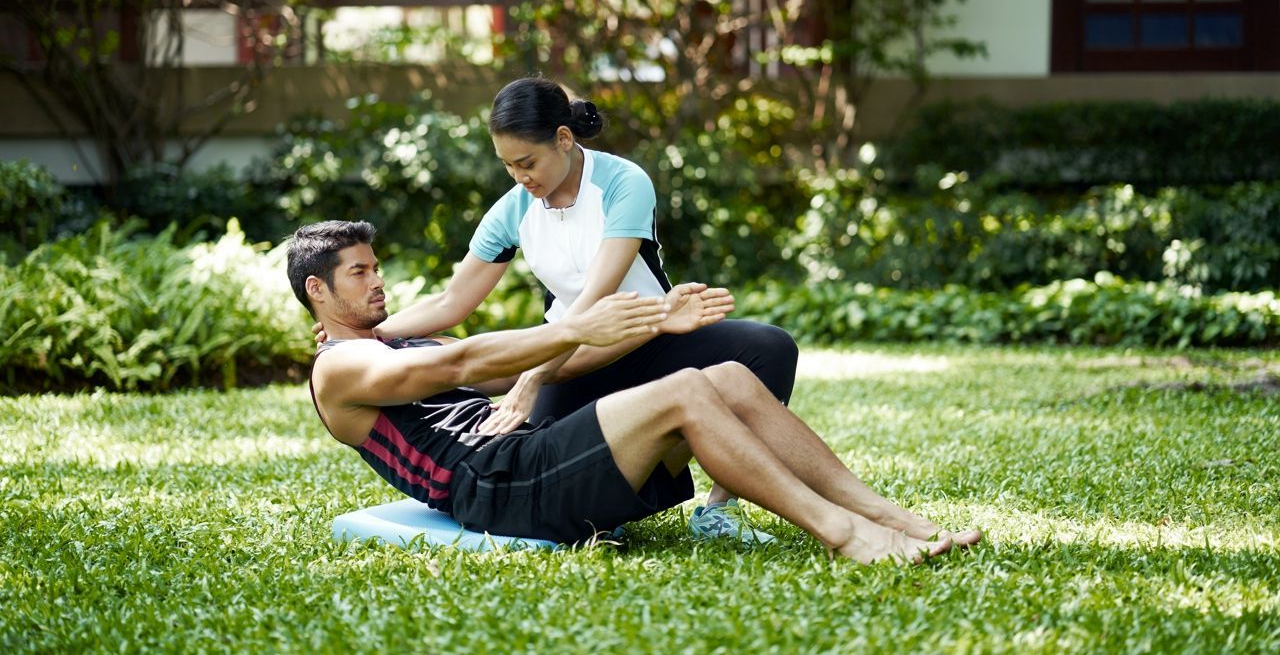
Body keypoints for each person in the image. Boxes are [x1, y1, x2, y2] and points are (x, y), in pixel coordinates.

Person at [289, 220, 982, 564]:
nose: (377, 281)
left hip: (527, 456)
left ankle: (891, 517)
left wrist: (653, 320)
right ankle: (845, 534)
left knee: (729, 377)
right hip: (493, 488)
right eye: (359, 272)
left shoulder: (401, 343)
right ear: (318, 290)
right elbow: (463, 359)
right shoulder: (340, 369)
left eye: (376, 267)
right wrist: (578, 322)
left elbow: (547, 366)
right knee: (684, 391)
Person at [355, 76, 801, 544]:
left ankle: (716, 512)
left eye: (527, 163)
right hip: (574, 360)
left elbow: (595, 298)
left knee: (767, 349)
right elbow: (452, 302)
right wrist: (370, 334)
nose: (519, 178)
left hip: (654, 339)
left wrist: (532, 378)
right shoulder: (513, 210)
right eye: (508, 166)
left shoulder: (621, 183)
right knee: (563, 479)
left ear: (564, 140)